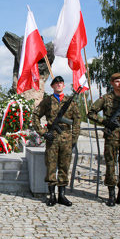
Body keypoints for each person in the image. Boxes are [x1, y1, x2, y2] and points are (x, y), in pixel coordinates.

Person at [87, 72, 120, 207]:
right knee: (110, 165)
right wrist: (105, 122)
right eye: (116, 81)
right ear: (111, 83)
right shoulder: (105, 98)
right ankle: (111, 195)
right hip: (112, 136)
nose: (119, 83)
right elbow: (91, 113)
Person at [32, 76, 81, 207]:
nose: (59, 85)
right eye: (56, 84)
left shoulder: (70, 102)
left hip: (66, 138)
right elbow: (35, 116)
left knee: (64, 166)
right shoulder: (47, 101)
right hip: (52, 137)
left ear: (64, 86)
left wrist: (74, 138)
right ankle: (52, 195)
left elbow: (77, 121)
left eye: (61, 83)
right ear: (52, 86)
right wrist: (43, 133)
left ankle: (62, 195)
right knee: (51, 166)